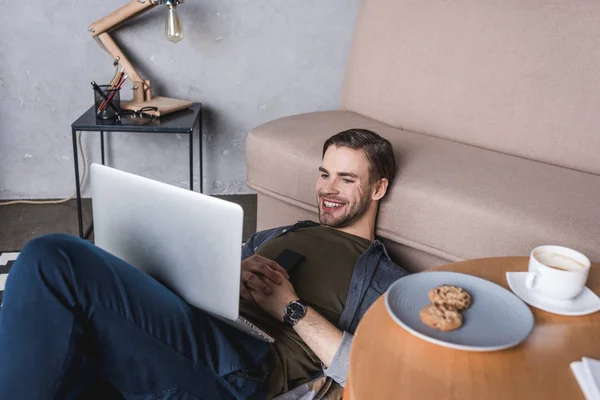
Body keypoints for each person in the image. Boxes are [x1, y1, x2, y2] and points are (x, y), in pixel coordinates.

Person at [0, 129, 408, 400]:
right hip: (193, 326)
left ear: (379, 188)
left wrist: (291, 309)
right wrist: (233, 266)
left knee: (52, 259)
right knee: (49, 315)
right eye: (324, 174)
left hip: (243, 366)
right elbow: (204, 271)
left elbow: (384, 375)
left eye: (346, 179)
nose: (327, 189)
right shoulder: (285, 232)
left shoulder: (383, 278)